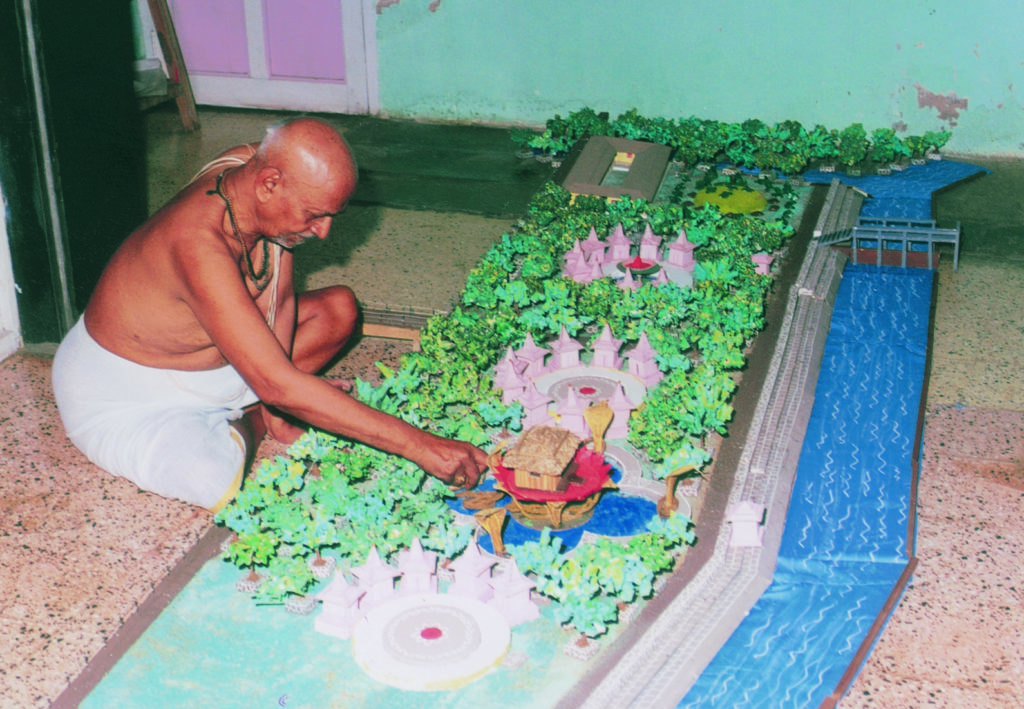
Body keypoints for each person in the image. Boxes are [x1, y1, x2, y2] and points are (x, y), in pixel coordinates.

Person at [52, 117, 487, 511]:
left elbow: (280, 296)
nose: (324, 232)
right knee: (213, 480)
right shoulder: (195, 243)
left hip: (221, 361)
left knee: (338, 311)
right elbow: (276, 383)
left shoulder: (252, 165)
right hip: (129, 392)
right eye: (314, 215)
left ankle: (267, 405)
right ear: (268, 184)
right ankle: (252, 419)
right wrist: (419, 445)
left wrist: (282, 402)